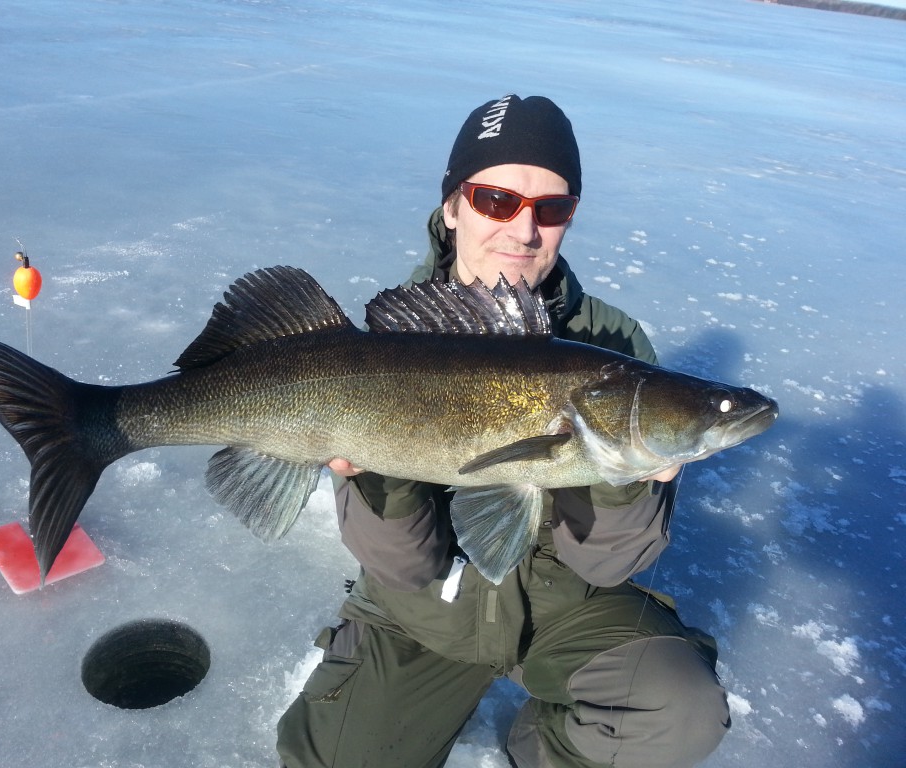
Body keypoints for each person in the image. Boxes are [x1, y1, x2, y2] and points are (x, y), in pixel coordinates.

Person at [276, 94, 730, 768]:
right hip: (419, 609)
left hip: (563, 609)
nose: (523, 232)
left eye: (552, 209)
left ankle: (538, 747)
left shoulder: (610, 345)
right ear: (452, 205)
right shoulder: (379, 352)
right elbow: (404, 567)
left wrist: (626, 480)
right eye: (495, 200)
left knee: (679, 712)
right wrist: (377, 475)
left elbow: (607, 564)